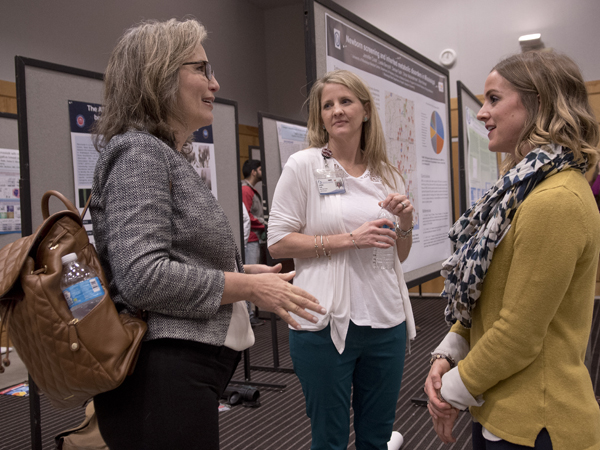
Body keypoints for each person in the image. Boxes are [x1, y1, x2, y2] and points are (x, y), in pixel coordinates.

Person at [89, 18, 326, 450]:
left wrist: (238, 272)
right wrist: (248, 288)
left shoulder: (161, 154)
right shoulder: (140, 153)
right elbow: (143, 277)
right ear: (158, 75)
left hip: (176, 373)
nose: (215, 83)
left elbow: (171, 256)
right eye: (202, 69)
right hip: (158, 376)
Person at [424, 51, 600, 450]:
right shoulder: (520, 189)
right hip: (500, 409)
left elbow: (518, 334)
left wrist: (449, 391)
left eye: (493, 99)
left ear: (538, 102)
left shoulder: (554, 199)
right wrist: (447, 354)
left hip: (539, 422)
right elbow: (489, 295)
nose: (482, 113)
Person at [268, 69, 416, 449]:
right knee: (329, 439)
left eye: (345, 101)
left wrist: (406, 222)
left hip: (386, 321)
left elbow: (399, 253)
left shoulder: (389, 175)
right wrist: (350, 239)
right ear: (321, 117)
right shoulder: (305, 166)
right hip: (324, 322)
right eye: (328, 105)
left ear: (365, 111)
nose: (337, 110)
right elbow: (278, 243)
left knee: (377, 436)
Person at [241, 159, 266, 265]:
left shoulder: (249, 190)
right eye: (260, 169)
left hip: (255, 238)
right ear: (253, 172)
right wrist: (264, 223)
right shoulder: (245, 190)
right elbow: (246, 216)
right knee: (251, 274)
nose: (263, 172)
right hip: (250, 239)